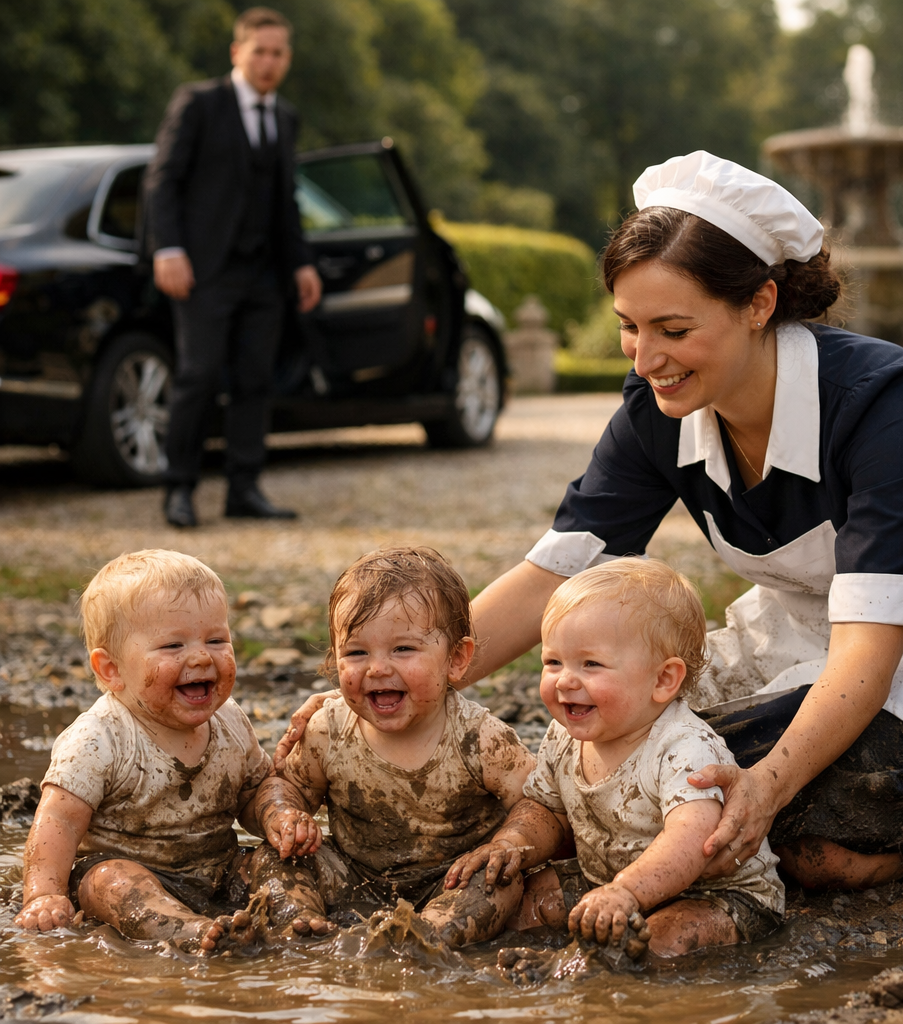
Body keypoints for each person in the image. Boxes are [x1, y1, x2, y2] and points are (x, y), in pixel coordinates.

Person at [460, 151, 903, 890]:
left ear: (759, 304)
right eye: (629, 327)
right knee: (644, 755)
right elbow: (557, 572)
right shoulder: (656, 413)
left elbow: (868, 652)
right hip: (819, 625)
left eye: (672, 328)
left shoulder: (886, 405)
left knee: (821, 851)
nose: (646, 358)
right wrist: (412, 675)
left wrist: (768, 788)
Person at [445, 560, 785, 959]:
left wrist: (627, 891)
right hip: (604, 881)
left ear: (663, 680)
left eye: (591, 664)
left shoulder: (684, 748)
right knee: (524, 901)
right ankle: (473, 958)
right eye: (553, 661)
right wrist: (511, 844)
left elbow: (693, 841)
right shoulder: (564, 735)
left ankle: (585, 974)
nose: (565, 680)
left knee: (660, 940)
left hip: (716, 895)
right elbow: (545, 809)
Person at [250, 546, 537, 947]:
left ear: (456, 659)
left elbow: (538, 803)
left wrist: (506, 844)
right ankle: (303, 927)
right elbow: (287, 784)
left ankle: (427, 936)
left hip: (451, 881)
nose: (378, 668)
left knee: (500, 882)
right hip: (353, 876)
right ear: (335, 659)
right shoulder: (328, 730)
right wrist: (283, 815)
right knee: (271, 858)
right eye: (356, 652)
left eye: (403, 649)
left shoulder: (480, 738)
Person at [15, 550, 271, 954]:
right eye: (173, 645)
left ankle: (297, 918)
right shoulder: (100, 738)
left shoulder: (231, 722)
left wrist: (278, 819)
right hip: (127, 869)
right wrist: (43, 895)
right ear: (111, 669)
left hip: (216, 868)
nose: (202, 657)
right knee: (111, 882)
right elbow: (58, 823)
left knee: (277, 861)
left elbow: (253, 793)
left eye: (217, 640)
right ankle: (185, 930)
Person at [145, 6, 322, 528]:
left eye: (278, 53)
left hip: (264, 275)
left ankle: (243, 489)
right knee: (197, 376)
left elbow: (284, 200)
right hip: (204, 271)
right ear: (237, 53)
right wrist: (168, 249)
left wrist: (302, 264)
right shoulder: (199, 103)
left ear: (287, 58)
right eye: (259, 51)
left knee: (254, 381)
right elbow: (162, 179)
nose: (268, 62)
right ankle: (179, 488)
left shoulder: (285, 117)